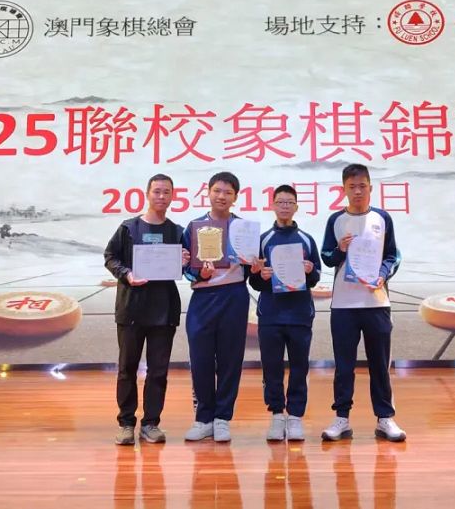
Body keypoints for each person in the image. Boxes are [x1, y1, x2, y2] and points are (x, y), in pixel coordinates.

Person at [320, 163, 406, 442]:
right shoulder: (336, 220)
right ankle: (341, 418)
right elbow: (327, 257)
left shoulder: (382, 218)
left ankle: (385, 418)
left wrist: (382, 274)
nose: (357, 191)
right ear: (343, 189)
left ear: (370, 187)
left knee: (379, 364)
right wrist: (340, 249)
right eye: (352, 187)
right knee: (344, 365)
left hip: (376, 303)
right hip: (343, 305)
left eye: (362, 186)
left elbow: (392, 255)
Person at [103, 173, 183, 445]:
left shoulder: (177, 232)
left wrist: (185, 260)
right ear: (147, 194)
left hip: (164, 310)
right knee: (127, 368)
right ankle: (126, 423)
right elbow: (110, 257)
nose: (161, 196)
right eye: (157, 191)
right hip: (131, 309)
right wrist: (126, 274)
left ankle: (151, 423)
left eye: (166, 192)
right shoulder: (129, 228)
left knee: (158, 371)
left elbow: (188, 266)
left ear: (172, 196)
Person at [181, 171, 251, 443]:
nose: (222, 196)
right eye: (217, 191)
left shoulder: (244, 228)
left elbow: (253, 270)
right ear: (208, 193)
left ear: (235, 197)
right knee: (200, 358)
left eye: (228, 192)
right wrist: (200, 274)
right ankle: (203, 418)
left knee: (230, 358)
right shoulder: (194, 227)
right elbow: (185, 268)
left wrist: (256, 266)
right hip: (203, 297)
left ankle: (222, 418)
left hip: (234, 295)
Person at [249, 185, 321, 442]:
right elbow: (254, 282)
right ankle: (277, 415)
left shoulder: (307, 239)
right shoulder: (263, 240)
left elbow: (315, 277)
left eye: (289, 202)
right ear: (273, 205)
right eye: (280, 202)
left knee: (300, 366)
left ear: (296, 207)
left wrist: (310, 270)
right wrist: (261, 275)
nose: (285, 206)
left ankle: (296, 417)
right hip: (271, 315)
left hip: (300, 314)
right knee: (272, 367)